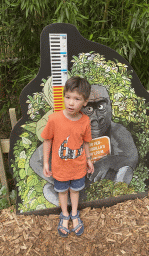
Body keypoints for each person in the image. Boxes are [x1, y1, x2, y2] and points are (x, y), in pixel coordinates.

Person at [41, 76, 94, 237]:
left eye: (77, 99)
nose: (71, 103)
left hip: (78, 167)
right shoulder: (54, 119)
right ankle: (64, 214)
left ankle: (75, 213)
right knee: (62, 192)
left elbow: (85, 143)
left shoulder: (85, 121)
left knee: (75, 191)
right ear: (63, 97)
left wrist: (89, 160)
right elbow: (47, 140)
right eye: (68, 97)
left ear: (85, 102)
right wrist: (45, 163)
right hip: (60, 168)